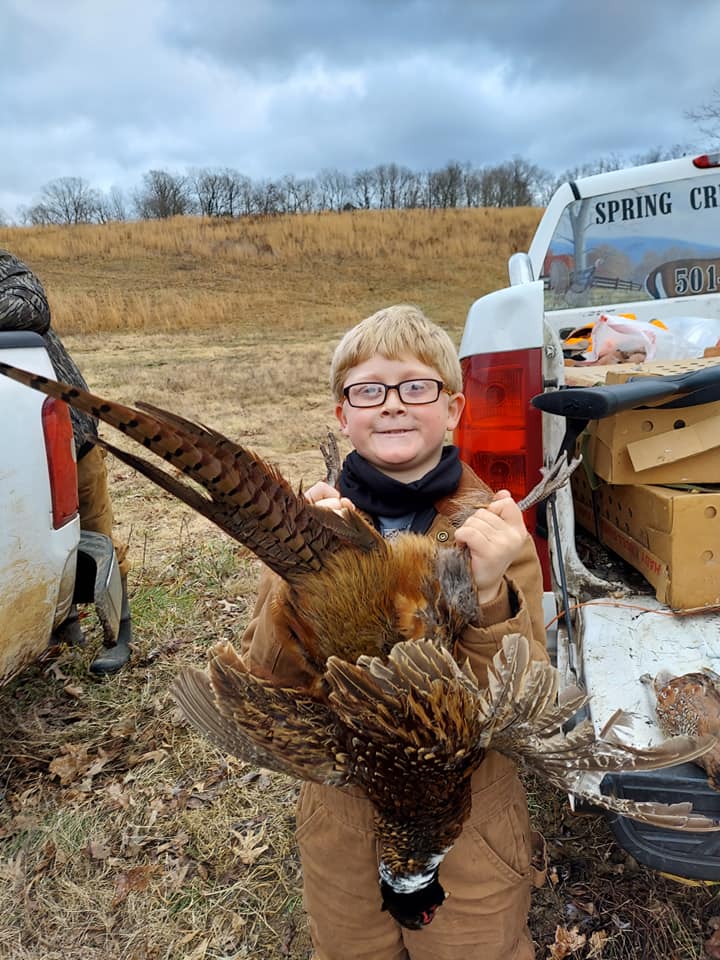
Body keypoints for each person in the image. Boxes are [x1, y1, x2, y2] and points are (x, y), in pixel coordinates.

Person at [240, 304, 548, 959]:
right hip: (343, 817)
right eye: (367, 391)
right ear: (341, 415)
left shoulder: (494, 534)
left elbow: (526, 704)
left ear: (455, 408)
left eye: (415, 387)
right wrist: (295, 581)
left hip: (469, 825)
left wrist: (489, 593)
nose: (392, 406)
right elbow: (269, 679)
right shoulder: (309, 528)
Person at [0, 248, 132, 675]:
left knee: (96, 537)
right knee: (39, 536)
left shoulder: (5, 266)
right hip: (16, 442)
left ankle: (120, 632)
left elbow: (31, 307)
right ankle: (63, 623)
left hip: (72, 432)